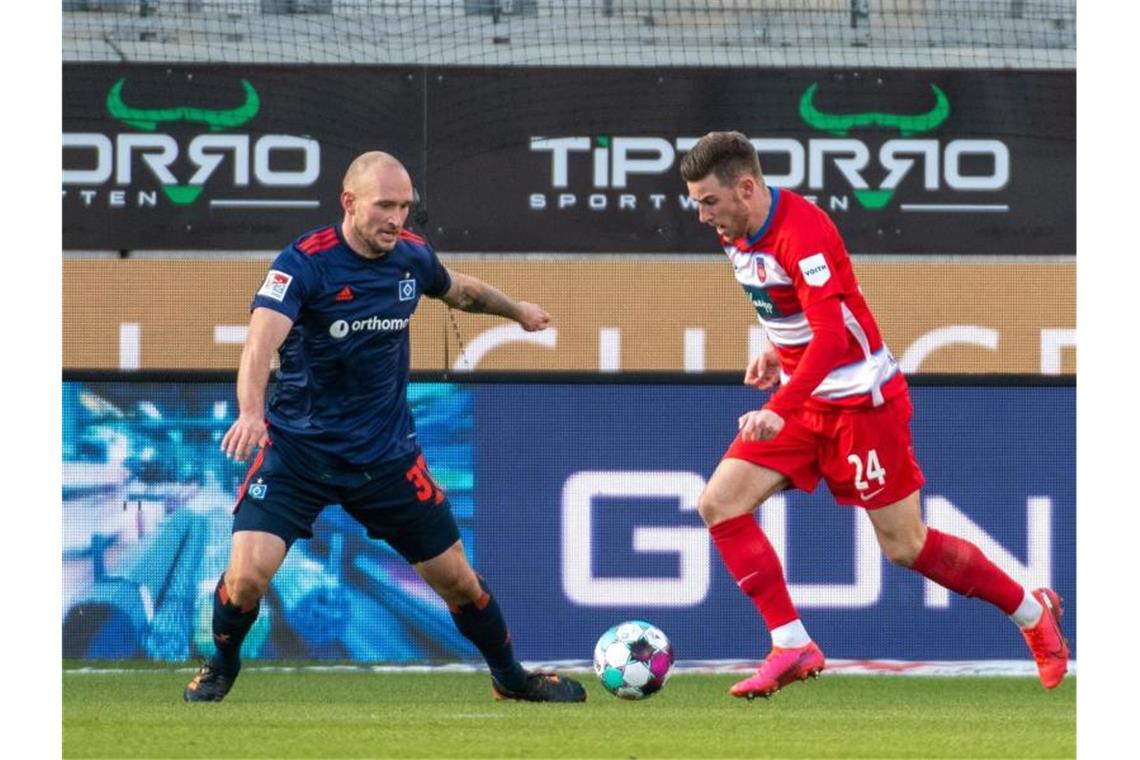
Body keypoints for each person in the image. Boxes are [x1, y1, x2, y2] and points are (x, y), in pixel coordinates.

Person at [184, 151, 586, 703]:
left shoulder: (411, 257)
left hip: (386, 458)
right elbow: (260, 341)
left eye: (405, 207)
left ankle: (510, 678)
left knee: (460, 584)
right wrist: (251, 412)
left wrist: (516, 310)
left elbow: (460, 290)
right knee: (247, 578)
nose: (396, 219)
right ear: (349, 203)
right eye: (384, 206)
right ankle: (221, 665)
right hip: (298, 455)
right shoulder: (303, 263)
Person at [679, 131, 1069, 699]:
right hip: (804, 400)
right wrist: (775, 348)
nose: (701, 215)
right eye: (695, 202)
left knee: (905, 546)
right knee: (719, 504)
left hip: (863, 404)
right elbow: (783, 304)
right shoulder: (733, 230)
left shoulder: (802, 232)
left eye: (708, 201)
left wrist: (777, 406)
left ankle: (1032, 614)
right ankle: (792, 644)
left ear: (745, 187)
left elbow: (835, 339)